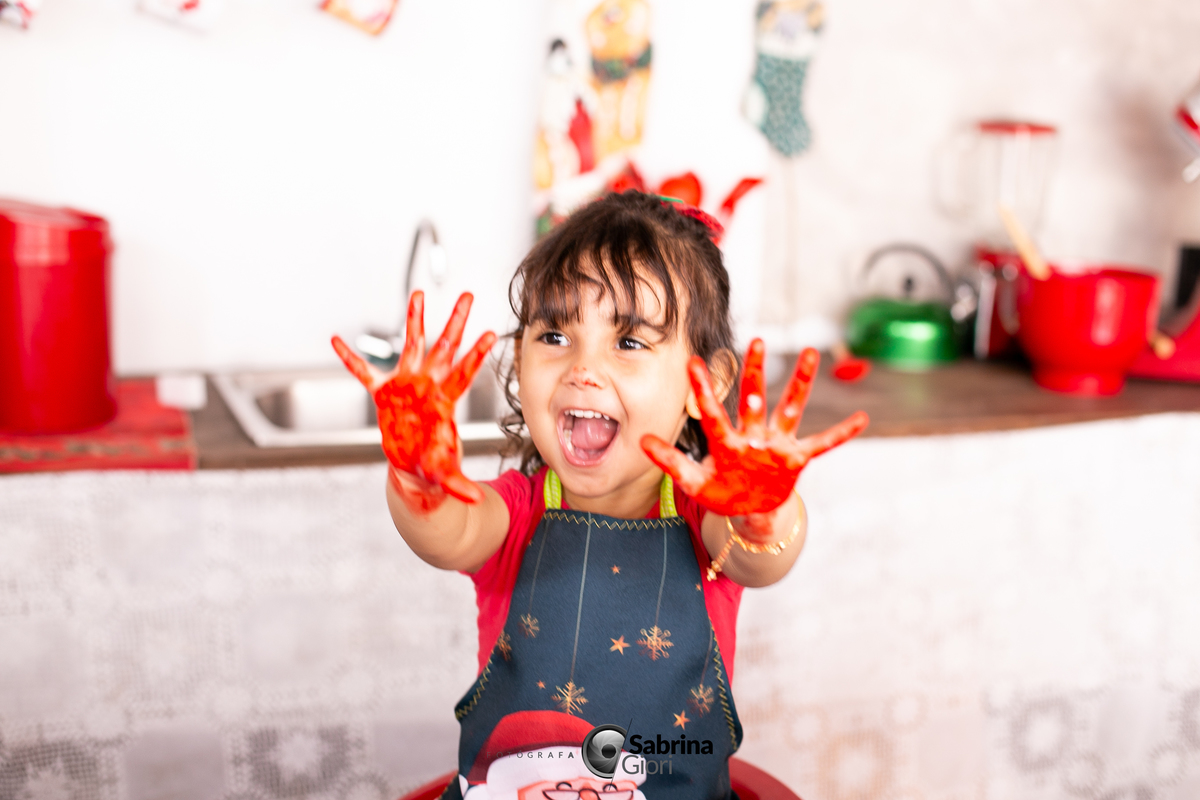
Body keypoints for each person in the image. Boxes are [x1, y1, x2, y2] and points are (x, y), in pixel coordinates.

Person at [332, 191, 867, 800]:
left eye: (630, 342)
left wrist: (762, 510)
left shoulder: (708, 519)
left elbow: (756, 554)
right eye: (555, 335)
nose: (583, 368)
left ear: (706, 386)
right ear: (518, 357)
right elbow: (449, 531)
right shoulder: (516, 513)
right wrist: (419, 480)